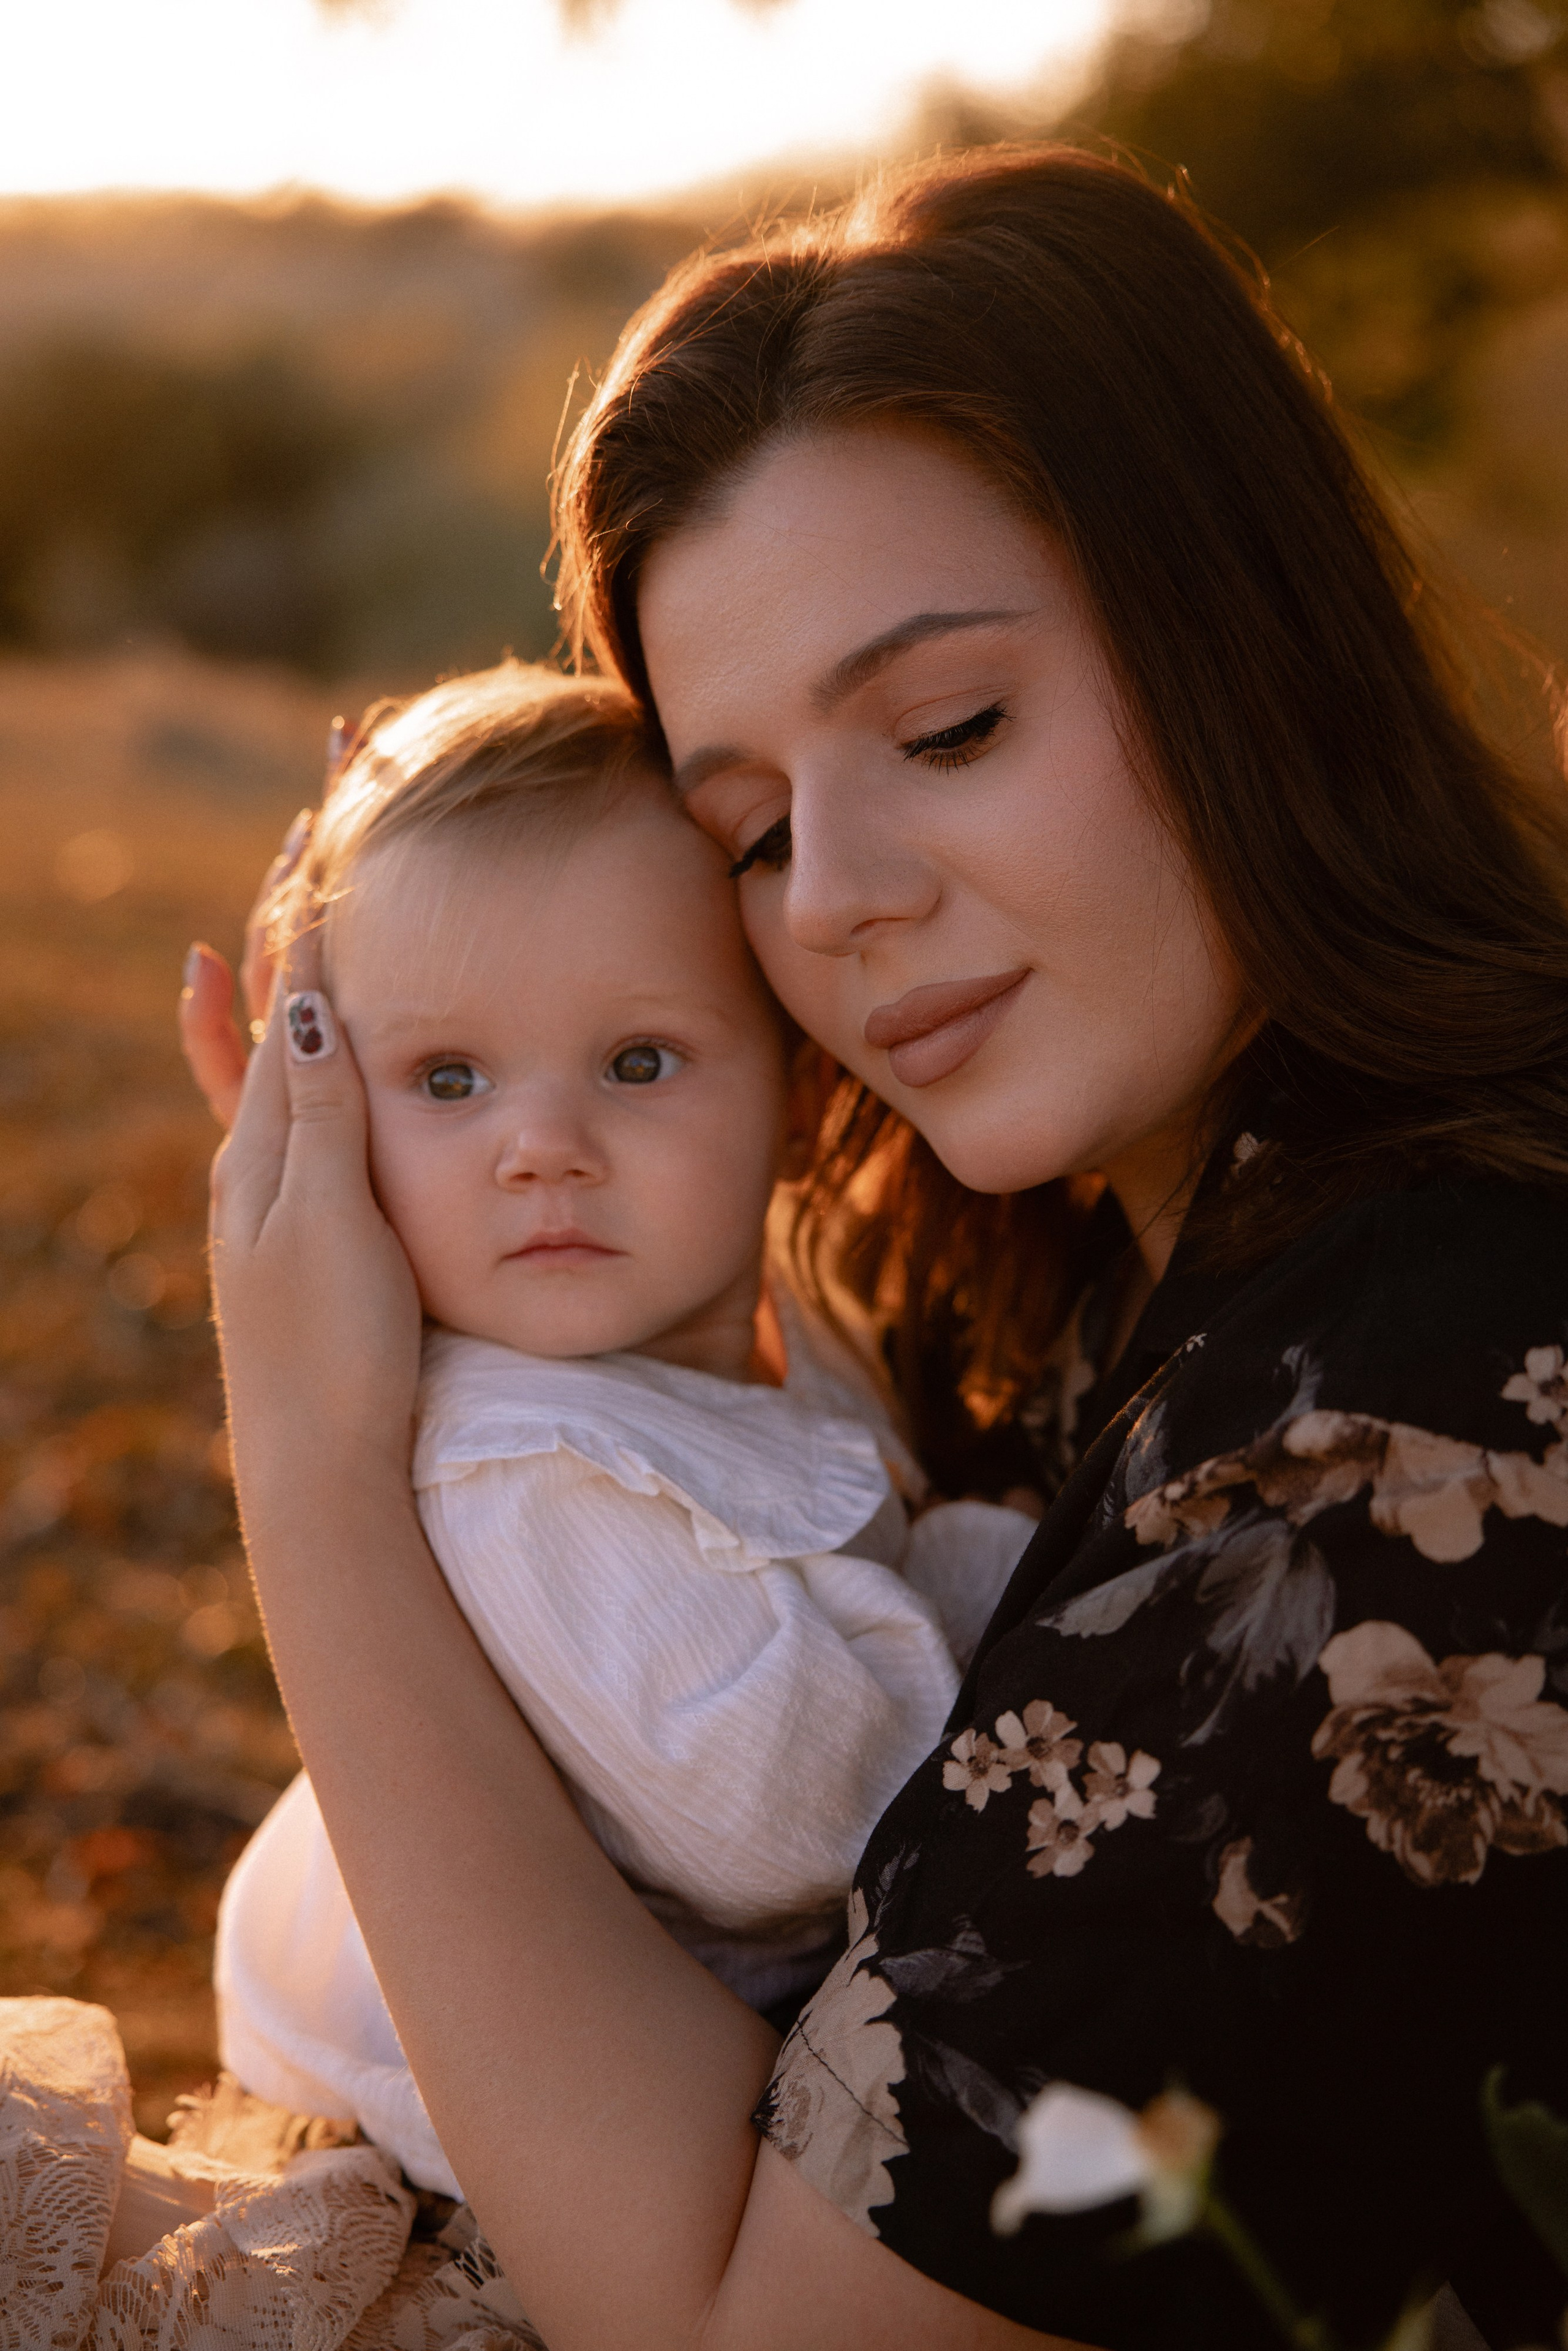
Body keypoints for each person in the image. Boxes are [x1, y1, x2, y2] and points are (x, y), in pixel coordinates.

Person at [182, 145, 1568, 2351]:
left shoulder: (1421, 1411)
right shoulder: (1099, 1240)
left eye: (950, 728)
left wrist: (323, 1468)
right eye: (743, 828)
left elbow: (754, 2330)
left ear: (1252, 636)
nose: (831, 893)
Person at [211, 659, 1031, 2202]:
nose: (541, 1148)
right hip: (487, 2160)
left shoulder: (740, 1324)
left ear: (795, 1097)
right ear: (331, 1109)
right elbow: (806, 1818)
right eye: (444, 1076)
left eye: (638, 1060)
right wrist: (1027, 1590)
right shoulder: (530, 1472)